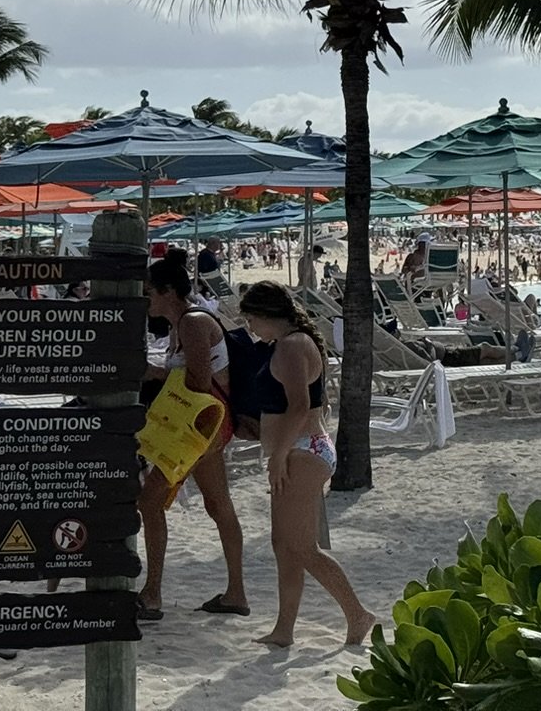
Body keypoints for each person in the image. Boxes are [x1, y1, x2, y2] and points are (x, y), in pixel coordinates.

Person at [236, 281, 376, 650]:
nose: (250, 326)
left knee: (302, 548)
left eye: (251, 318)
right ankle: (284, 630)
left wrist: (279, 454)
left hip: (302, 450)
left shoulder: (293, 345)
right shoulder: (286, 344)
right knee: (284, 545)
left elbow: (299, 405)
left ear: (267, 314)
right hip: (298, 449)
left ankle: (358, 614)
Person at [139, 252, 247, 621]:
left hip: (199, 428)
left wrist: (153, 375)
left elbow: (198, 382)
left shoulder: (192, 322)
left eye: (149, 291)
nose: (146, 298)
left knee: (149, 502)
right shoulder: (181, 325)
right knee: (218, 505)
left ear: (169, 291)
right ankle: (236, 593)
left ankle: (152, 594)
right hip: (209, 428)